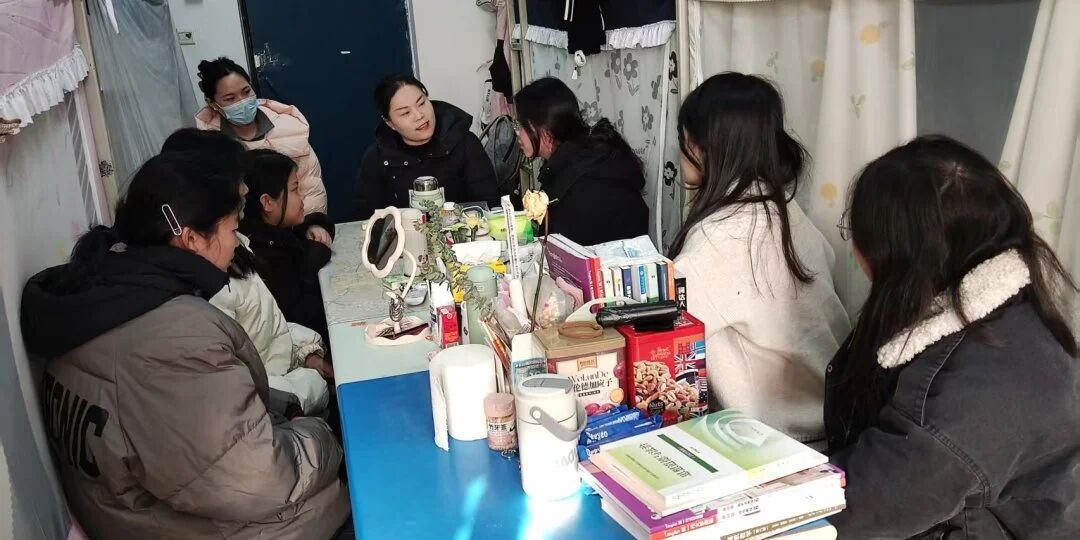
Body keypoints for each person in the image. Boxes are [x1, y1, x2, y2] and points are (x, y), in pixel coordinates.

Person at [20, 152, 349, 539]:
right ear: (192, 238)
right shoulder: (177, 333)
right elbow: (262, 477)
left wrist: (283, 405)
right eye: (233, 229)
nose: (238, 243)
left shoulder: (97, 294)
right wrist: (326, 436)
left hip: (134, 512)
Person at [825, 135, 1080, 538]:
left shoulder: (975, 398)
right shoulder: (1009, 307)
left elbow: (865, 507)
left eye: (856, 232)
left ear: (902, 257)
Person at [668, 73, 850, 445]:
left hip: (775, 441)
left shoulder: (718, 238)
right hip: (832, 418)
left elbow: (667, 330)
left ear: (696, 145)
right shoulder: (787, 212)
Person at [161, 129, 333, 415]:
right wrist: (312, 384)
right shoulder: (198, 292)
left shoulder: (236, 246)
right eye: (238, 187)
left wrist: (306, 354)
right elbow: (249, 395)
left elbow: (266, 328)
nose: (245, 195)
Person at [514, 77, 649, 246]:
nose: (518, 133)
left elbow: (562, 247)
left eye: (522, 125)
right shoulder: (587, 155)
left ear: (545, 131)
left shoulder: (578, 178)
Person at [195, 57, 328, 214]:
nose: (243, 101)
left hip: (296, 221)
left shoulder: (289, 128)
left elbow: (312, 187)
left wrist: (310, 222)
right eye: (230, 99)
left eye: (246, 92)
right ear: (212, 103)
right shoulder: (208, 146)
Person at [354, 74, 499, 219]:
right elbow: (369, 217)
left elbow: (489, 204)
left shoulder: (465, 143)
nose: (419, 115)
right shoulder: (377, 158)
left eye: (422, 103)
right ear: (389, 123)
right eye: (405, 113)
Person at [242, 149, 334, 345]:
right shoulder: (265, 258)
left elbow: (306, 225)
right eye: (294, 190)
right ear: (267, 202)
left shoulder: (274, 232)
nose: (301, 198)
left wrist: (312, 226)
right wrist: (313, 257)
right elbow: (304, 317)